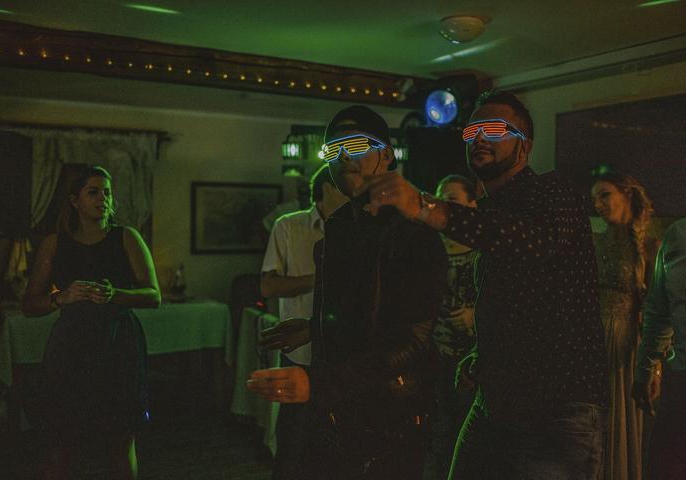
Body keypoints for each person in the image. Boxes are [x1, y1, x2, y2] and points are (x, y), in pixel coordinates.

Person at [354, 90, 608, 479]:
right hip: (496, 400)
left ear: (525, 146)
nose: (480, 137)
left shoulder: (553, 191)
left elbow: (535, 242)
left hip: (556, 408)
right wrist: (483, 353)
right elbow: (521, 301)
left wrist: (425, 205)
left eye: (495, 129)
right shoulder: (489, 214)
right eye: (473, 130)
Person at [248, 105, 446, 479]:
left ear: (387, 155)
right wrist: (314, 327)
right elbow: (361, 313)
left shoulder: (413, 230)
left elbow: (413, 339)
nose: (343, 157)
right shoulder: (342, 224)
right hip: (339, 408)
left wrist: (318, 383)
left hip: (391, 414)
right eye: (333, 149)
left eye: (355, 145)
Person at [22, 166, 161, 480]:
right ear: (75, 200)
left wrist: (116, 295)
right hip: (71, 346)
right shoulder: (55, 244)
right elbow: (29, 304)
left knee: (120, 437)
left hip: (118, 344)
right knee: (61, 438)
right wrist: (61, 297)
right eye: (93, 192)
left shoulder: (127, 237)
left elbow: (153, 295)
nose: (103, 199)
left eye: (107, 192)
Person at [259, 164, 347, 480]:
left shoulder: (357, 231)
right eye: (344, 186)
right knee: (292, 440)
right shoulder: (289, 226)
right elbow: (268, 286)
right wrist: (320, 280)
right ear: (327, 188)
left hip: (342, 353)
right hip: (301, 353)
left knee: (334, 443)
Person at [591, 171, 659, 480]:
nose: (598, 204)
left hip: (624, 342)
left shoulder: (648, 247)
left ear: (627, 194)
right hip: (591, 338)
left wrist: (654, 367)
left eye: (605, 194)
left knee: (619, 415)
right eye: (595, 198)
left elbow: (656, 311)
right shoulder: (594, 242)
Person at [423, 175, 479, 480]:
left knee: (469, 436)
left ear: (472, 204)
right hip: (435, 352)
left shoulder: (483, 249)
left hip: (473, 356)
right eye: (441, 198)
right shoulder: (431, 248)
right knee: (439, 433)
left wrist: (474, 315)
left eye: (453, 199)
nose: (444, 205)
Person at [633, 218, 686, 480]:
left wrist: (646, 370)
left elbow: (659, 312)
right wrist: (646, 369)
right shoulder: (678, 235)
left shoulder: (679, 235)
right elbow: (659, 312)